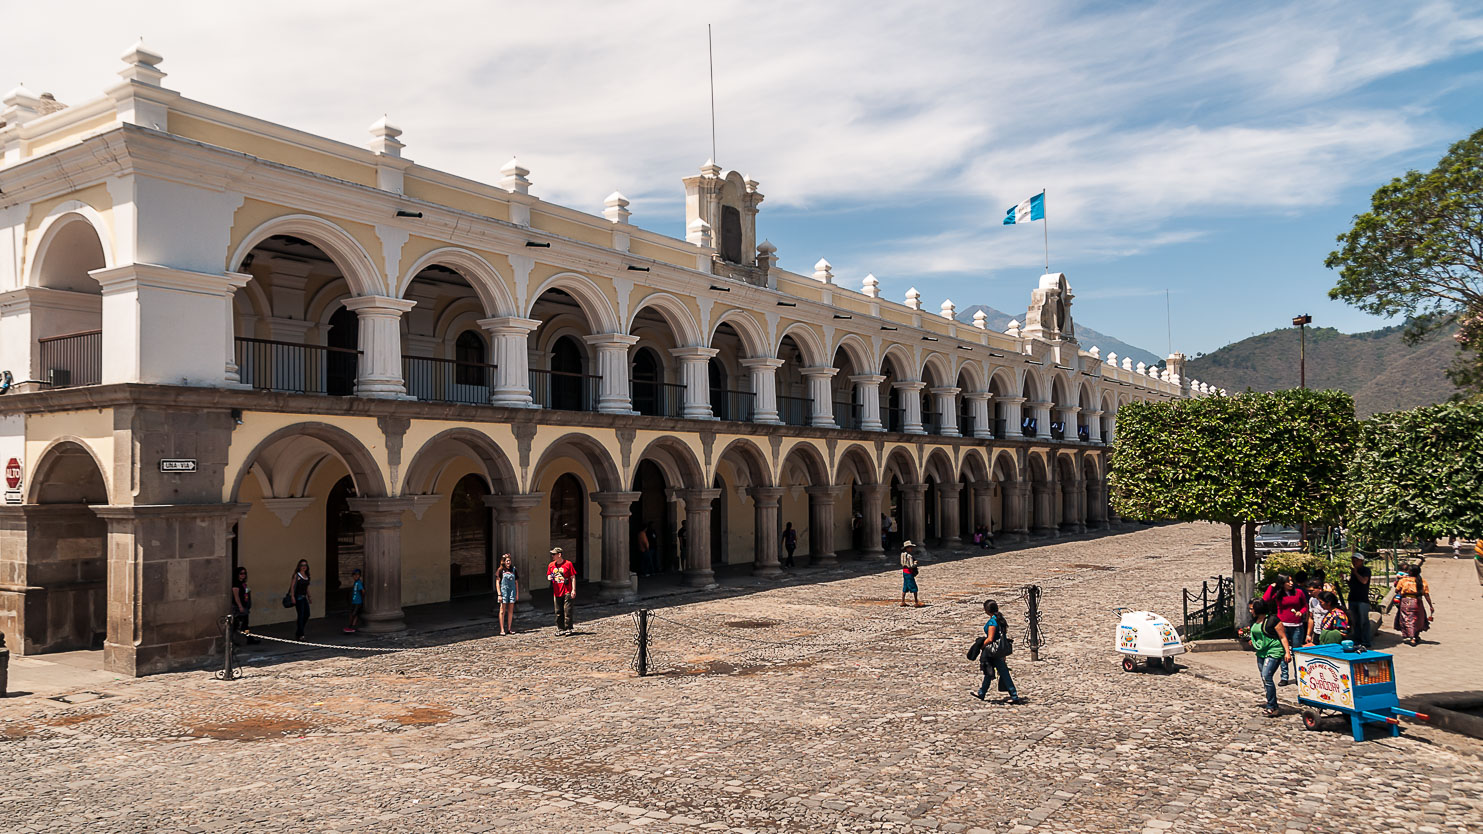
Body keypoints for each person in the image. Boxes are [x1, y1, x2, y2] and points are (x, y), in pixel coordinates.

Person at [971, 599, 1022, 704]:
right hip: (998, 650)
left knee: (1002, 672)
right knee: (989, 672)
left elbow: (990, 638)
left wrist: (981, 646)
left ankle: (1014, 695)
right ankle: (982, 692)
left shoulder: (992, 622)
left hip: (992, 651)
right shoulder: (1000, 619)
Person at [1247, 599, 1292, 718]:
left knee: (1266, 676)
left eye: (1252, 608)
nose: (1250, 611)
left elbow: (1283, 637)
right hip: (1261, 652)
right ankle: (1271, 700)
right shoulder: (1254, 621)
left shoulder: (1273, 620)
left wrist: (1287, 652)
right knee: (1264, 678)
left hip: (1274, 651)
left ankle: (1272, 706)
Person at [1261, 574, 1306, 685]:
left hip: (1296, 625)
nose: (1291, 583)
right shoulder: (1278, 594)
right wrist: (1272, 587)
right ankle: (1284, 676)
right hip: (1283, 625)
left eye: (1291, 581)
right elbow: (1265, 599)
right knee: (1283, 652)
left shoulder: (1298, 592)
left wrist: (1301, 612)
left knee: (1296, 651)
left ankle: (1298, 676)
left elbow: (1305, 605)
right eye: (1288, 581)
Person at [1394, 564, 1435, 646]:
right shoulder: (1422, 581)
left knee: (1408, 619)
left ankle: (1412, 638)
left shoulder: (1404, 581)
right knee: (1418, 619)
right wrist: (1430, 605)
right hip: (1418, 602)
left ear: (1410, 572)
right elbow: (1426, 595)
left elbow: (1397, 589)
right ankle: (1416, 635)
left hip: (1406, 602)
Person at [548, 547, 577, 635]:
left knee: (567, 610)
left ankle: (568, 628)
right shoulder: (551, 565)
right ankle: (560, 628)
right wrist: (552, 577)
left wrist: (573, 590)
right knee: (558, 611)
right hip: (557, 591)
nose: (552, 556)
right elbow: (549, 576)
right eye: (552, 554)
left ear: (559, 555)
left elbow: (573, 577)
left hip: (567, 590)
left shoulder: (568, 564)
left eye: (554, 554)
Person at [1346, 555, 1373, 648]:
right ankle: (1357, 639)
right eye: (1353, 561)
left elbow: (1364, 581)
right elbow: (1352, 585)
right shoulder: (1353, 572)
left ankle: (1366, 640)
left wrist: (1356, 573)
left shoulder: (1366, 570)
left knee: (1364, 620)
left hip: (1362, 599)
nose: (1354, 563)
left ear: (1361, 561)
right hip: (1353, 598)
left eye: (1356, 561)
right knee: (1355, 621)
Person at [230, 566, 259, 645]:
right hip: (239, 607)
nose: (243, 575)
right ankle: (233, 640)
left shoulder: (243, 584)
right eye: (241, 573)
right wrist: (240, 606)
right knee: (236, 625)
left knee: (245, 625)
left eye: (244, 573)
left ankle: (248, 638)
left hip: (245, 605)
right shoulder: (236, 584)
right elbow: (236, 596)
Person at [288, 559, 312, 641]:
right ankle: (301, 634)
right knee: (301, 615)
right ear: (299, 566)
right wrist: (292, 597)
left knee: (307, 614)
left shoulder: (307, 576)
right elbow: (292, 586)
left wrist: (309, 596)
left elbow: (307, 587)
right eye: (302, 565)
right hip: (298, 597)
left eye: (305, 565)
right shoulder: (297, 575)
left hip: (304, 597)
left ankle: (299, 631)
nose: (304, 567)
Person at [495, 553, 519, 636]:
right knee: (502, 610)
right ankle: (502, 629)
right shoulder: (500, 570)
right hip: (504, 592)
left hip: (512, 591)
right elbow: (497, 582)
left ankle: (509, 628)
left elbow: (516, 582)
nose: (509, 562)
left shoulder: (513, 570)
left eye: (509, 560)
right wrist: (499, 594)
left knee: (510, 610)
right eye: (507, 561)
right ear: (504, 562)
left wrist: (517, 594)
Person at [900, 540, 922, 607]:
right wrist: (916, 563)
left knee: (905, 586)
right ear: (907, 548)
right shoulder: (909, 556)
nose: (911, 549)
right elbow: (911, 566)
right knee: (914, 587)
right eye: (910, 547)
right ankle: (916, 602)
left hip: (904, 572)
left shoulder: (902, 555)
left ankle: (903, 601)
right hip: (909, 572)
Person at [1304, 577, 1325, 646]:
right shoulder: (1312, 600)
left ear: (1319, 588)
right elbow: (1311, 617)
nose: (1309, 593)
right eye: (1308, 591)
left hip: (1327, 633)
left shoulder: (1328, 599)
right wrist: (1308, 634)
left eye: (1311, 591)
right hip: (1317, 632)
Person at [343, 568, 364, 634]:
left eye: (357, 575)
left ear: (359, 576)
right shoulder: (355, 583)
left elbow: (363, 591)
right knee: (353, 614)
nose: (356, 576)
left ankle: (350, 627)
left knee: (354, 614)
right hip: (354, 601)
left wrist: (362, 597)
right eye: (354, 575)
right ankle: (352, 627)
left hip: (358, 602)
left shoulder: (359, 583)